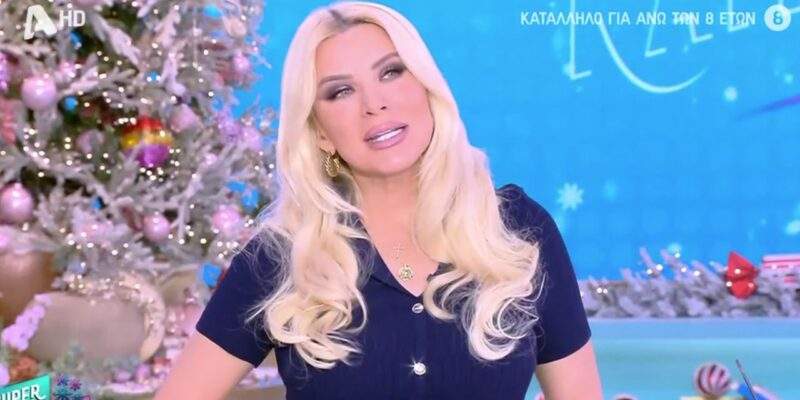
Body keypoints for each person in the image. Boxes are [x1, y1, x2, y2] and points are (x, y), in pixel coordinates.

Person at [155, 1, 602, 399]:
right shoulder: (282, 257)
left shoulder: (518, 230)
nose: (374, 104)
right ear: (320, 133)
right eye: (341, 92)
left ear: (426, 87)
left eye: (391, 72)